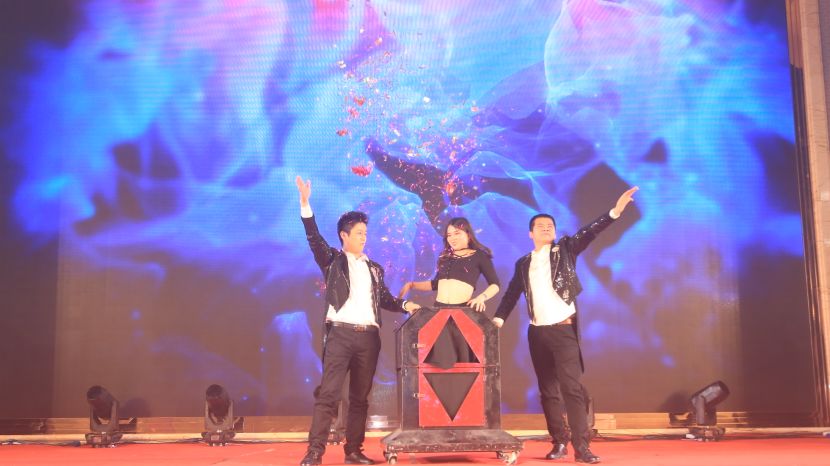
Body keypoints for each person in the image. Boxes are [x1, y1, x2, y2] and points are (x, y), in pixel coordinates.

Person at [493, 186, 639, 464]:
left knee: (571, 389)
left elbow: (589, 232)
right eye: (540, 226)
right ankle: (558, 441)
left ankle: (582, 447)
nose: (546, 228)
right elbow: (511, 294)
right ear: (530, 233)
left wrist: (615, 212)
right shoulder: (523, 263)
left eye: (550, 225)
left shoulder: (565, 250)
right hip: (537, 333)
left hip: (563, 330)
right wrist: (498, 319)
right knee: (548, 391)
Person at [295, 176, 420, 466]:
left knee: (360, 398)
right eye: (359, 232)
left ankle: (353, 451)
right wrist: (305, 203)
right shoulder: (332, 261)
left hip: (369, 338)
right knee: (329, 394)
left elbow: (384, 298)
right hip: (340, 334)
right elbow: (314, 238)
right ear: (344, 235)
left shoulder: (374, 269)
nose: (364, 237)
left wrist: (405, 305)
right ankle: (314, 452)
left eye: (366, 233)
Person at [399, 217, 500, 368]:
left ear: (468, 234)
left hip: (462, 313)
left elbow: (495, 284)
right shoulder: (445, 257)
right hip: (439, 312)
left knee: (463, 361)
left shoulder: (479, 256)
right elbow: (436, 284)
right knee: (435, 361)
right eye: (449, 235)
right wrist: (412, 284)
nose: (452, 238)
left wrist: (481, 298)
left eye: (457, 233)